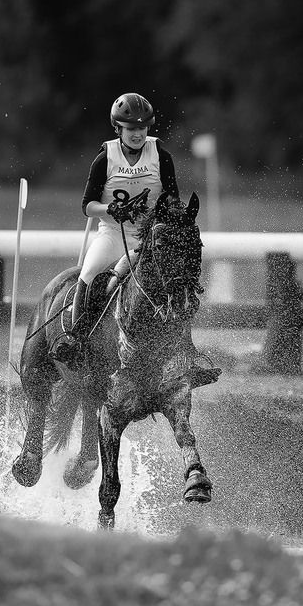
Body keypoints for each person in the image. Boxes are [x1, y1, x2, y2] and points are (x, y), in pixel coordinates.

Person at [50, 93, 219, 387]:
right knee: (88, 275)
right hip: (113, 234)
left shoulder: (161, 157)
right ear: (119, 129)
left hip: (150, 238)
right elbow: (87, 205)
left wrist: (161, 217)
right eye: (131, 129)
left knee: (174, 280)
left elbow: (173, 200)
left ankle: (187, 352)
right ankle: (76, 340)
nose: (138, 134)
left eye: (143, 128)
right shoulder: (105, 158)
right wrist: (110, 209)